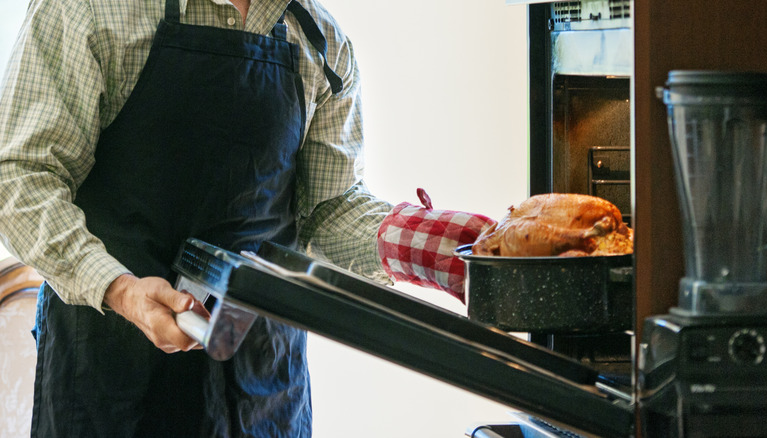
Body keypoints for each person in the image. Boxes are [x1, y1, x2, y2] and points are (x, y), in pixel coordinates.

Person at [0, 0, 493, 436]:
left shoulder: (321, 40)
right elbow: (19, 175)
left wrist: (430, 244)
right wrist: (121, 289)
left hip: (264, 386)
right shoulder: (88, 8)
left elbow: (327, 209)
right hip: (110, 377)